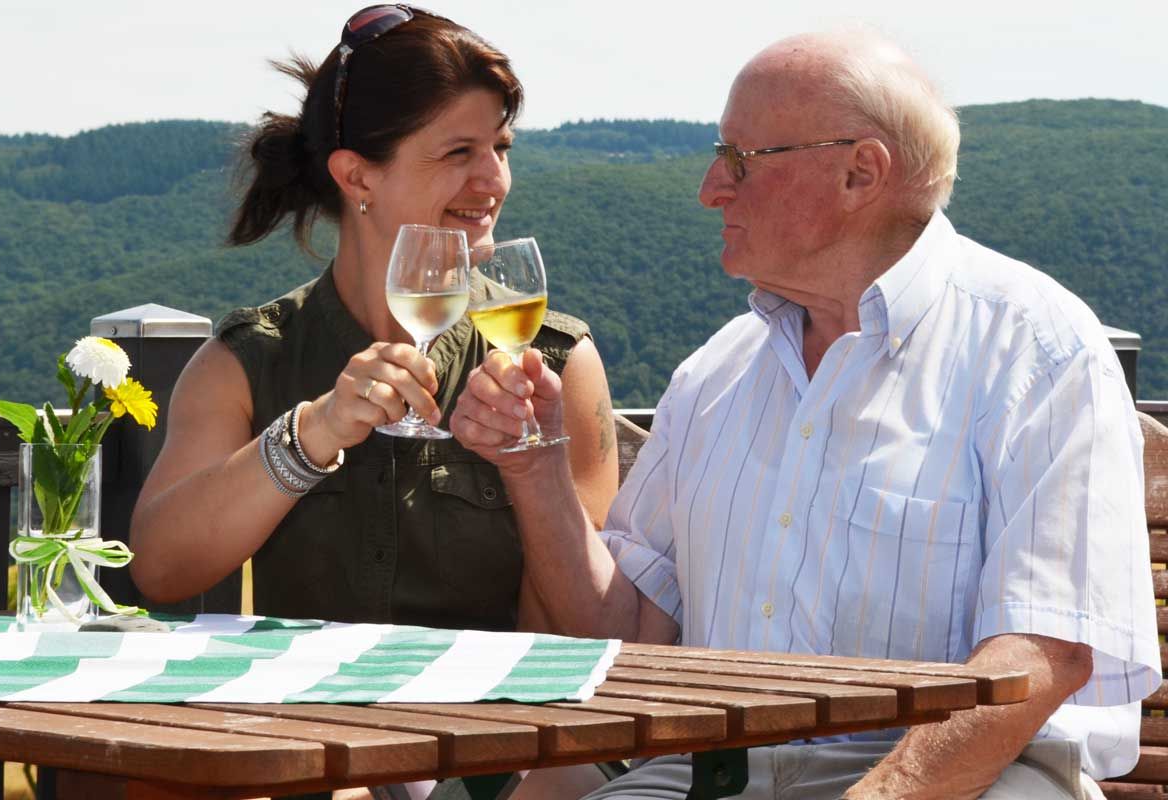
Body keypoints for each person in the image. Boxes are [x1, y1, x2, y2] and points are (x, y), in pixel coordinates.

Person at [451, 29, 1161, 800]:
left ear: (860, 173)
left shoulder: (1039, 351)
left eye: (739, 160)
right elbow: (627, 638)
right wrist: (536, 468)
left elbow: (1044, 652)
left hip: (970, 777)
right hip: (721, 769)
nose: (709, 188)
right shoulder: (717, 371)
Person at [128, 5, 618, 635]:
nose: (494, 180)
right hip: (303, 725)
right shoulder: (249, 360)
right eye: (458, 151)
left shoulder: (554, 361)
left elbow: (585, 624)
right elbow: (161, 569)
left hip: (493, 724)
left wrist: (530, 465)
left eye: (500, 147)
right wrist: (311, 434)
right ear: (357, 175)